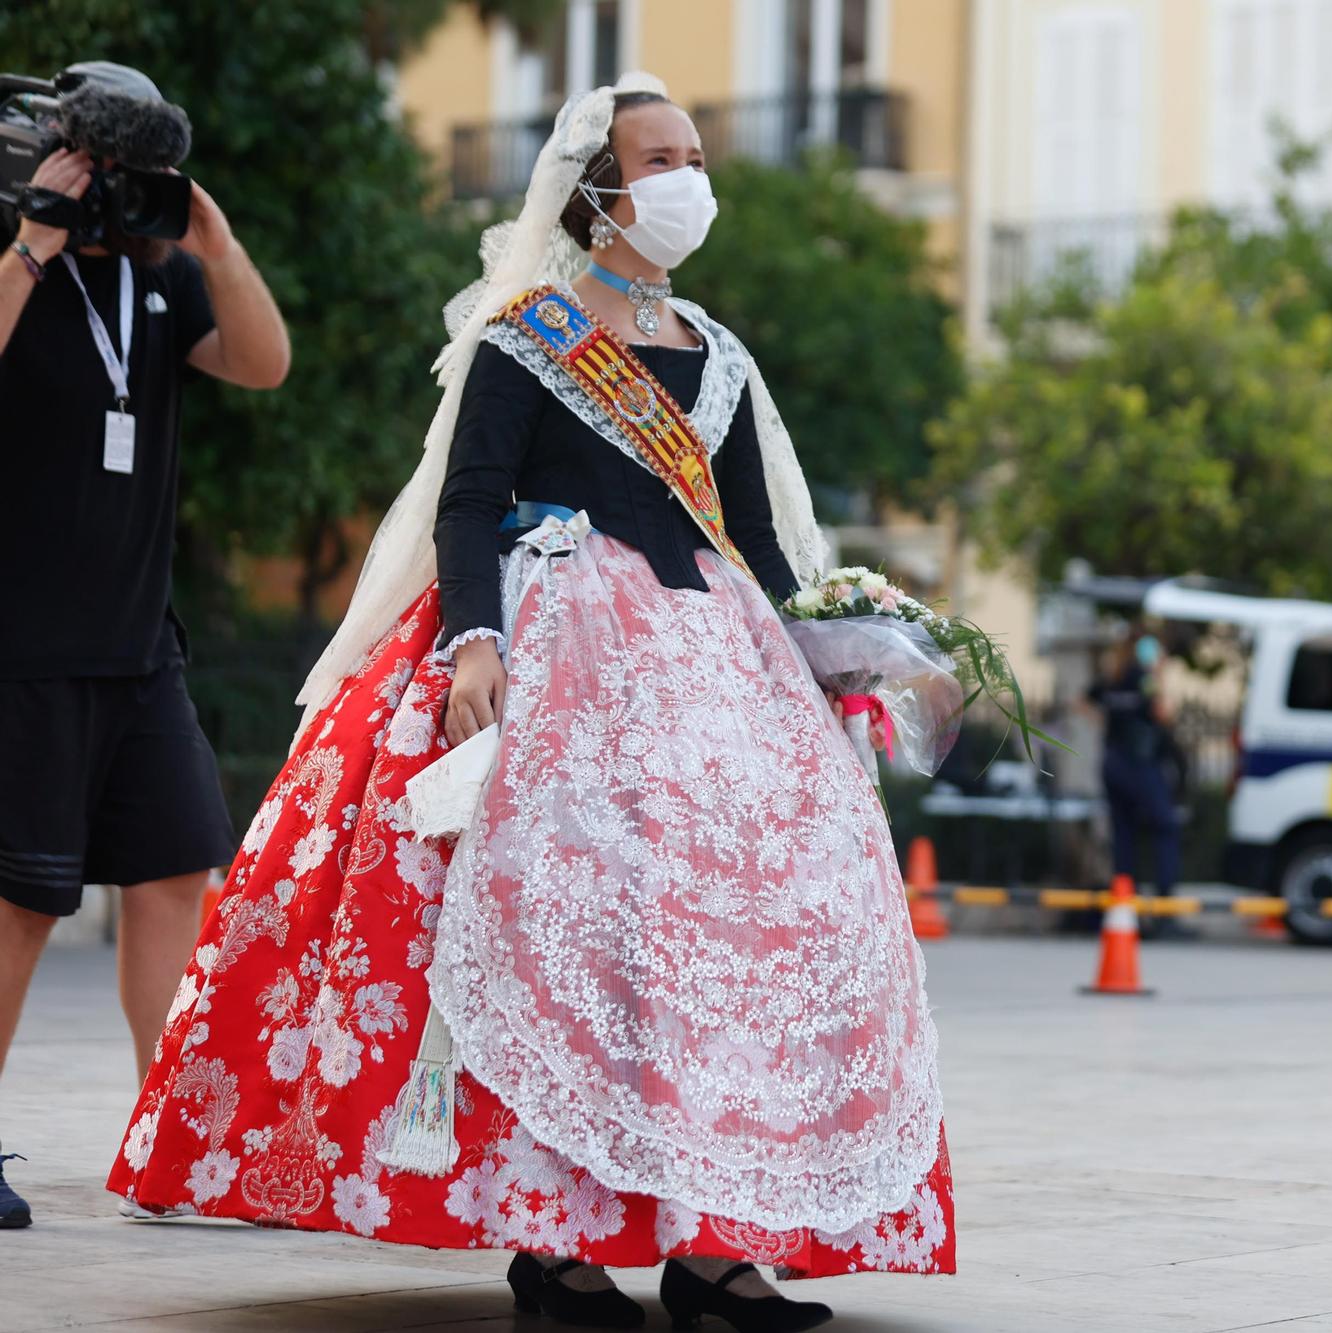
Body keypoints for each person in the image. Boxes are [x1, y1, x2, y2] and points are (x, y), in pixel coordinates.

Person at [106, 76, 951, 1330]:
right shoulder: (527, 340)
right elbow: (468, 502)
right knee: (580, 928)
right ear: (600, 192)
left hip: (717, 663)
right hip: (563, 641)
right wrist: (475, 644)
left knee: (738, 941)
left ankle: (715, 1247)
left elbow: (761, 544)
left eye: (692, 153)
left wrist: (833, 653)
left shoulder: (716, 354)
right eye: (659, 157)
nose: (686, 176)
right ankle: (556, 1247)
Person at [0, 62, 289, 1230]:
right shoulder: (23, 257)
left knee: (177, 874)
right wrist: (34, 243)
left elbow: (264, 364)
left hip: (137, 640)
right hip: (22, 640)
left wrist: (213, 239)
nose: (119, 196)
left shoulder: (165, 282)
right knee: (20, 902)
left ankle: (171, 1138)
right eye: (104, 170)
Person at [1088, 627, 1183, 919]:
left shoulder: (1113, 677)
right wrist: (1160, 675)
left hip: (1113, 762)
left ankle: (1123, 906)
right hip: (1140, 763)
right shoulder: (1144, 679)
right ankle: (1165, 908)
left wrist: (1108, 722)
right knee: (1166, 827)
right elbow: (1164, 712)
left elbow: (1084, 701)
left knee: (1123, 833)